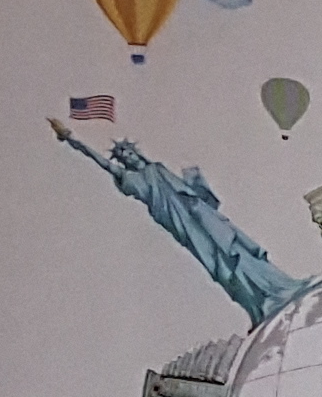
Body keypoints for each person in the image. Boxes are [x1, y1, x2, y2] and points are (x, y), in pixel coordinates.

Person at [48, 120, 303, 325]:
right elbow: (102, 163)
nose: (129, 157)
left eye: (131, 152)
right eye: (124, 156)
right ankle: (256, 303)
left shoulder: (159, 168)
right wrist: (72, 140)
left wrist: (195, 184)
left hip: (202, 215)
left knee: (236, 250)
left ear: (138, 152)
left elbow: (190, 191)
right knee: (221, 266)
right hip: (184, 226)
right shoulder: (134, 180)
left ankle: (276, 286)